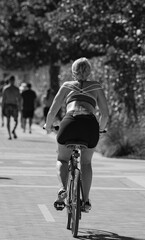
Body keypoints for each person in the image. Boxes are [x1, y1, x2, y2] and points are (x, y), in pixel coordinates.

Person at [44, 57, 109, 212]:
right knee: (86, 163)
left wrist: (48, 126)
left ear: (73, 72)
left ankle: (62, 189)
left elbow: (53, 110)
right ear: (90, 71)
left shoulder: (67, 85)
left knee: (62, 158)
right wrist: (100, 129)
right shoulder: (96, 86)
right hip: (90, 125)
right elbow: (105, 115)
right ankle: (85, 201)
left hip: (70, 123)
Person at [2, 75, 21, 140]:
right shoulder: (15, 89)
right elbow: (19, 99)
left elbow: (3, 100)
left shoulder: (6, 88)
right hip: (12, 105)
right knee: (12, 120)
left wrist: (2, 107)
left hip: (9, 105)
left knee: (12, 121)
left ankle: (11, 133)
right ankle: (10, 133)